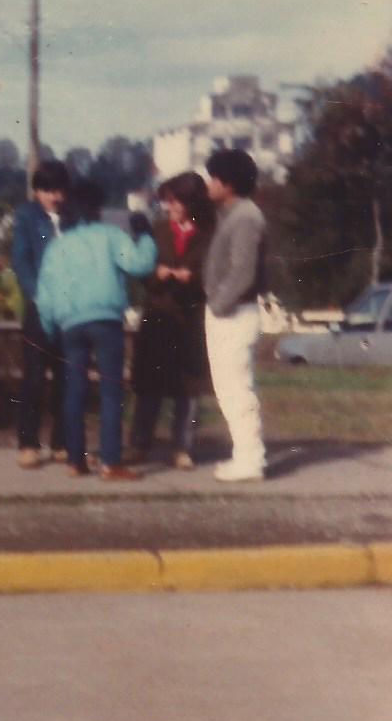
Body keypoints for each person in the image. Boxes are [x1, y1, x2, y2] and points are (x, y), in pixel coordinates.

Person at [33, 179, 158, 481]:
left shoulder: (57, 247)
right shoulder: (110, 235)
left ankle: (76, 460)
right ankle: (110, 462)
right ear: (98, 209)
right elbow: (141, 265)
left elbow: (45, 296)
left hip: (70, 325)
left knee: (74, 391)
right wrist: (145, 235)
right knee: (110, 392)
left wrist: (52, 329)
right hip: (105, 321)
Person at [128, 172, 214, 469]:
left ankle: (182, 447)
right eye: (167, 200)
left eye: (176, 201)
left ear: (192, 202)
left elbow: (217, 273)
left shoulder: (210, 232)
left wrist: (196, 278)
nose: (170, 206)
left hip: (191, 319)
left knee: (188, 387)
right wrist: (156, 275)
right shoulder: (158, 228)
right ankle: (140, 444)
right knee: (149, 384)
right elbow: (141, 268)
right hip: (158, 316)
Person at [201, 148, 269, 483]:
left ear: (228, 183)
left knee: (237, 389)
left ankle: (250, 460)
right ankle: (245, 456)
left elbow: (243, 272)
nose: (208, 183)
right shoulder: (231, 214)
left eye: (213, 177)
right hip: (228, 312)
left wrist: (217, 305)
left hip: (234, 313)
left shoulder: (246, 217)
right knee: (230, 389)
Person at [11, 160, 71, 468]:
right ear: (37, 192)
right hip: (39, 308)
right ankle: (28, 442)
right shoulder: (26, 217)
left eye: (59, 190)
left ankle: (61, 441)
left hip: (70, 309)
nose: (55, 197)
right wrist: (38, 296)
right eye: (48, 190)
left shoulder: (74, 219)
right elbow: (21, 261)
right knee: (34, 377)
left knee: (65, 376)